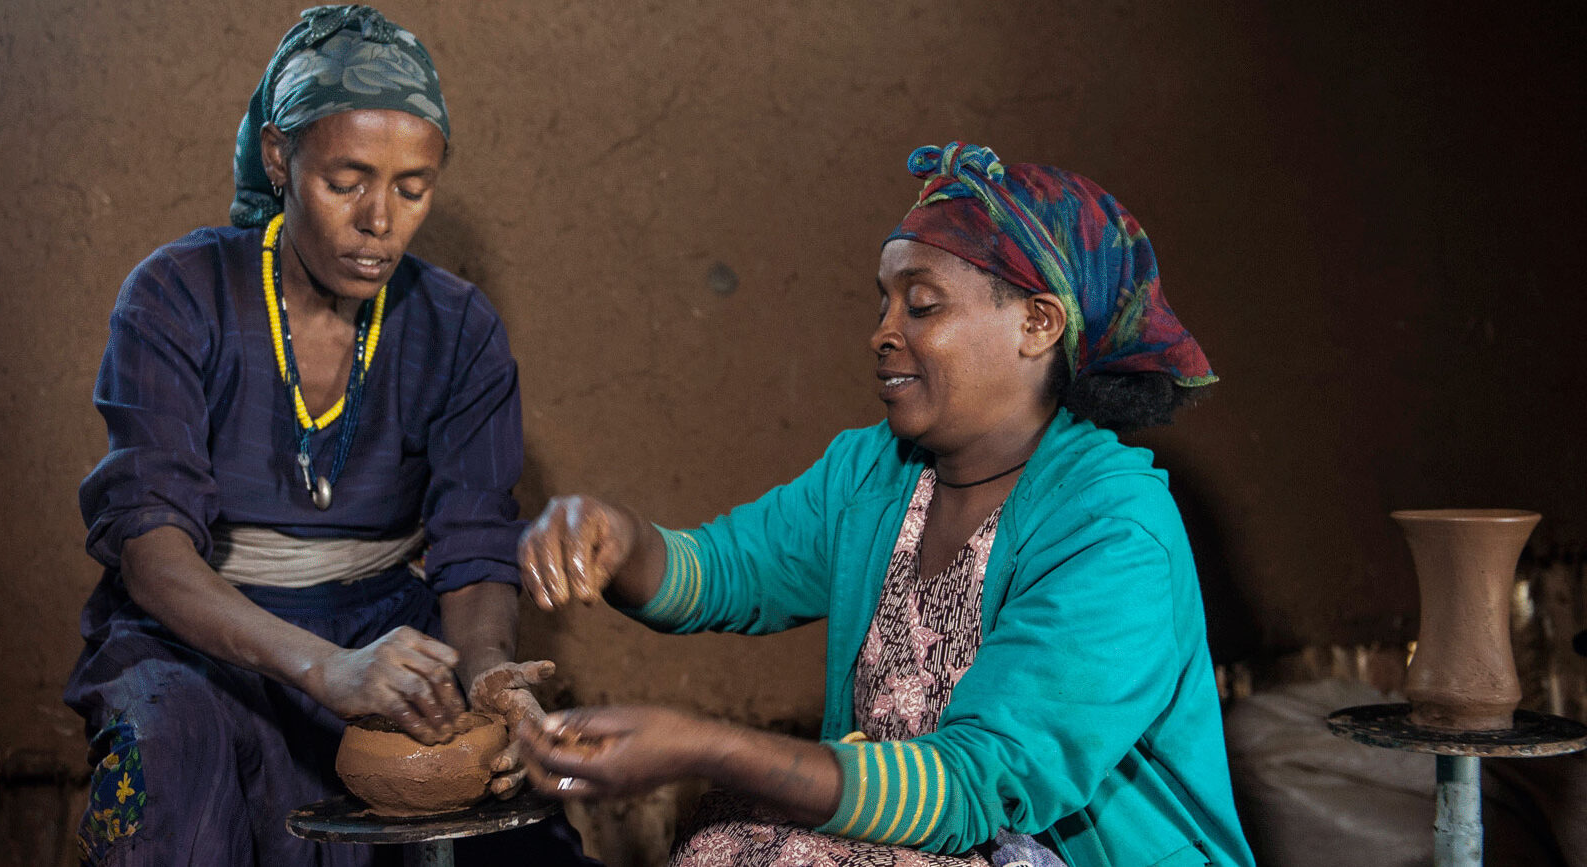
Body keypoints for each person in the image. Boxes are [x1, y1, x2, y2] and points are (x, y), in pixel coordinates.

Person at [515, 143, 1255, 867]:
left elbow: (974, 783)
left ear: (1038, 324)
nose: (882, 332)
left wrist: (707, 744)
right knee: (729, 835)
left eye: (922, 304)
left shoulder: (1111, 527)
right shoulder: (879, 471)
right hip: (924, 845)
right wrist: (618, 539)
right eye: (884, 299)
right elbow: (723, 571)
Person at [65, 7, 586, 865]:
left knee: (502, 802)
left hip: (382, 620)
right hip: (199, 631)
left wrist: (488, 666)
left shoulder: (457, 330)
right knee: (173, 754)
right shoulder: (177, 297)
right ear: (280, 157)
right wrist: (322, 668)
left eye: (413, 189)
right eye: (347, 182)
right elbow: (152, 555)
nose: (380, 220)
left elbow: (476, 544)